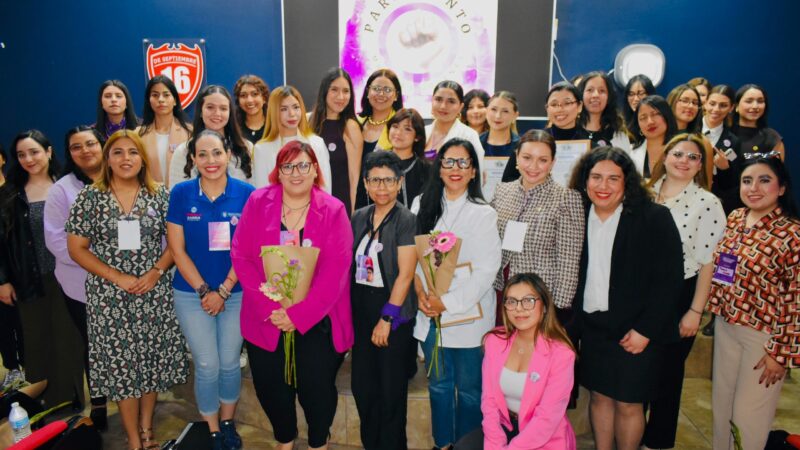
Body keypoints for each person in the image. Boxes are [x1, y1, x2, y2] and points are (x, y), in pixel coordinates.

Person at [66, 130, 189, 450]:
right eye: (118, 152)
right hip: (109, 296)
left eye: (133, 152)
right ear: (107, 159)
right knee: (123, 368)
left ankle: (147, 429)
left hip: (152, 291)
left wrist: (156, 271)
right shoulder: (90, 197)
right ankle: (133, 438)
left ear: (142, 159)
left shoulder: (159, 195)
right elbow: (76, 248)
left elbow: (176, 243)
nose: (126, 159)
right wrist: (116, 277)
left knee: (149, 363)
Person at [230, 141, 353, 450]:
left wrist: (298, 315)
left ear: (315, 170)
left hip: (317, 319)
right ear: (278, 171)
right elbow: (242, 256)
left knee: (316, 388)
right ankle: (284, 437)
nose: (296, 173)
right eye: (288, 166)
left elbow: (336, 271)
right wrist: (271, 307)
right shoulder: (258, 202)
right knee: (270, 386)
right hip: (267, 315)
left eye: (303, 165)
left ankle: (318, 440)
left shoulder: (333, 209)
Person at [568, 146, 683, 450]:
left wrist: (646, 330)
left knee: (629, 403)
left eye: (613, 179)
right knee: (600, 396)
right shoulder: (577, 215)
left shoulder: (653, 218)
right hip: (594, 328)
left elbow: (669, 281)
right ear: (585, 180)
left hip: (636, 330)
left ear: (626, 182)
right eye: (596, 177)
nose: (603, 186)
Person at [412, 138, 501, 449]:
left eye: (464, 162)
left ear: (474, 171)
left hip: (468, 317)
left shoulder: (483, 213)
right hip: (430, 313)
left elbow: (487, 271)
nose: (455, 168)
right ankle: (442, 443)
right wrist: (420, 294)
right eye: (449, 161)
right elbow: (414, 259)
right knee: (438, 386)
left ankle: (466, 445)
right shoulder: (421, 204)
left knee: (469, 391)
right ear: (439, 167)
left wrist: (446, 303)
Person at [167, 130, 254, 450]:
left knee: (230, 362)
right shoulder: (181, 193)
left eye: (216, 152)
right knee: (206, 364)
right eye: (202, 154)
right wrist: (205, 291)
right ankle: (213, 429)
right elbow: (177, 250)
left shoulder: (247, 194)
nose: (210, 160)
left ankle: (228, 422)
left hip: (236, 292)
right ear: (193, 159)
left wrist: (225, 290)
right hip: (191, 295)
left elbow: (248, 248)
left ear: (228, 154)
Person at [706, 155, 800, 450]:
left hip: (763, 338)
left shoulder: (792, 234)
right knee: (722, 410)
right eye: (747, 181)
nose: (754, 188)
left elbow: (796, 298)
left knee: (748, 418)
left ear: (781, 188)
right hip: (726, 325)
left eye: (764, 180)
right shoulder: (736, 218)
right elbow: (723, 270)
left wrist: (780, 353)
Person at [642, 134, 726, 449]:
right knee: (638, 372)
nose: (684, 161)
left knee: (667, 375)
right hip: (640, 291)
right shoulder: (643, 193)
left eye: (693, 157)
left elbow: (708, 263)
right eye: (678, 153)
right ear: (665, 156)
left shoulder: (707, 203)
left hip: (681, 293)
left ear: (701, 166)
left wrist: (694, 311)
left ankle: (657, 442)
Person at [0, 130, 84, 414]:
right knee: (36, 340)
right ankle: (39, 401)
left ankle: (69, 400)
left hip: (67, 277)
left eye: (34, 152)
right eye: (21, 155)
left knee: (68, 339)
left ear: (48, 152)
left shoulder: (68, 187)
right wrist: (3, 281)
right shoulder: (9, 194)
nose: (28, 159)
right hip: (28, 280)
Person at [456, 273, 577, 450]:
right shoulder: (494, 342)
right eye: (511, 301)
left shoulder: (561, 354)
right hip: (506, 425)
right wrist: (495, 444)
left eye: (528, 301)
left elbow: (547, 418)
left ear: (544, 306)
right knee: (463, 447)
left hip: (544, 436)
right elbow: (489, 401)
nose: (519, 308)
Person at [350, 151, 418, 450]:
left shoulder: (406, 219)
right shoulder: (358, 217)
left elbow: (406, 274)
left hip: (392, 310)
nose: (382, 187)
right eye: (375, 180)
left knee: (391, 391)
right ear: (366, 184)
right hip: (361, 308)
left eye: (389, 180)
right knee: (363, 388)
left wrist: (387, 318)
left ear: (399, 182)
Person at [43, 126, 109, 430]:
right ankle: (99, 402)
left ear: (102, 145)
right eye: (76, 147)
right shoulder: (62, 190)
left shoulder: (121, 178)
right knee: (94, 344)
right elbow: (56, 239)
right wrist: (98, 264)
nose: (85, 151)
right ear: (69, 153)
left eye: (91, 144)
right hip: (80, 284)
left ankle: (133, 393)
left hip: (126, 282)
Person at [491, 130, 584, 320]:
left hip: (540, 298)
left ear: (553, 163)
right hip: (501, 292)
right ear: (517, 157)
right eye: (527, 158)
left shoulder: (566, 198)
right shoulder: (502, 191)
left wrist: (557, 310)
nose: (533, 166)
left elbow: (568, 263)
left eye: (542, 160)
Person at [168, 85, 254, 189]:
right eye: (210, 107)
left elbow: (256, 193)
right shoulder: (183, 152)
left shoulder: (247, 148)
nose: (217, 113)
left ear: (230, 113)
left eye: (223, 108)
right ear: (200, 111)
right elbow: (176, 193)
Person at [502, 82, 588, 182]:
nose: (560, 109)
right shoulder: (530, 140)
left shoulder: (590, 144)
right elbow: (508, 180)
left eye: (567, 103)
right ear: (547, 108)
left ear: (579, 106)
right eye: (554, 104)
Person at [253, 86, 332, 192]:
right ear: (274, 112)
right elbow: (262, 192)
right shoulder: (262, 149)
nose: (292, 114)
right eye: (284, 109)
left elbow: (325, 188)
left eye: (296, 107)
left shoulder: (317, 143)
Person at [309, 68, 363, 213]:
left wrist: (352, 216)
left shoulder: (350, 127)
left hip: (339, 207)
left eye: (346, 91)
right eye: (334, 90)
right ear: (324, 91)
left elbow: (354, 178)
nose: (341, 97)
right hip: (310, 206)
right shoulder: (308, 123)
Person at [355, 69, 405, 209]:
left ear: (396, 95)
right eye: (376, 89)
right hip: (356, 198)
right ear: (367, 92)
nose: (381, 94)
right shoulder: (355, 123)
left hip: (388, 200)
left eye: (387, 90)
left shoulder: (401, 127)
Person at [0, 142, 25, 390]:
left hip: (17, 270)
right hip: (2, 276)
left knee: (22, 324)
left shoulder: (15, 192)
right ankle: (12, 369)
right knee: (3, 326)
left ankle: (29, 369)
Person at [137, 75, 192, 185]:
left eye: (166, 95)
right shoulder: (138, 134)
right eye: (155, 95)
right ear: (149, 100)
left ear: (175, 100)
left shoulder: (190, 132)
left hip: (182, 193)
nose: (161, 100)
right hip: (150, 193)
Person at [424, 81, 485, 170]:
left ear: (460, 107)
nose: (443, 106)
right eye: (438, 99)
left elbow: (477, 171)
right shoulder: (422, 132)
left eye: (451, 101)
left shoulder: (469, 136)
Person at [704, 85, 743, 214]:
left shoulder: (734, 142)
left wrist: (725, 168)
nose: (716, 109)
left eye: (723, 105)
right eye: (712, 104)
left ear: (731, 108)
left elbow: (733, 182)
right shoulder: (690, 130)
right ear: (705, 103)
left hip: (715, 204)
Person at [380, 108, 430, 208]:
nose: (398, 133)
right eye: (395, 126)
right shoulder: (375, 163)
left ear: (417, 137)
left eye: (407, 129)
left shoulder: (426, 169)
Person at [626, 95, 678, 178]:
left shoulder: (683, 148)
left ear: (667, 116)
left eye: (655, 114)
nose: (650, 122)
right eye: (643, 118)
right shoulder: (630, 152)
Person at [578, 71, 630, 150]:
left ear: (609, 97)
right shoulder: (571, 131)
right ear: (581, 95)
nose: (595, 95)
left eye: (602, 91)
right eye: (590, 90)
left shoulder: (619, 136)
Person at [732, 84, 785, 160]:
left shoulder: (772, 138)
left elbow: (777, 166)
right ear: (736, 106)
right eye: (749, 101)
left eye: (760, 101)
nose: (755, 106)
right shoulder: (725, 133)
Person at [480, 91, 520, 157]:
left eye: (505, 111)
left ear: (515, 116)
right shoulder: (476, 143)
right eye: (494, 109)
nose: (498, 116)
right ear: (486, 112)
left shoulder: (521, 146)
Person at [233, 74, 270, 145]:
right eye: (243, 95)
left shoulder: (274, 126)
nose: (249, 100)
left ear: (264, 98)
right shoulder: (233, 128)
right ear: (238, 101)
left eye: (254, 94)